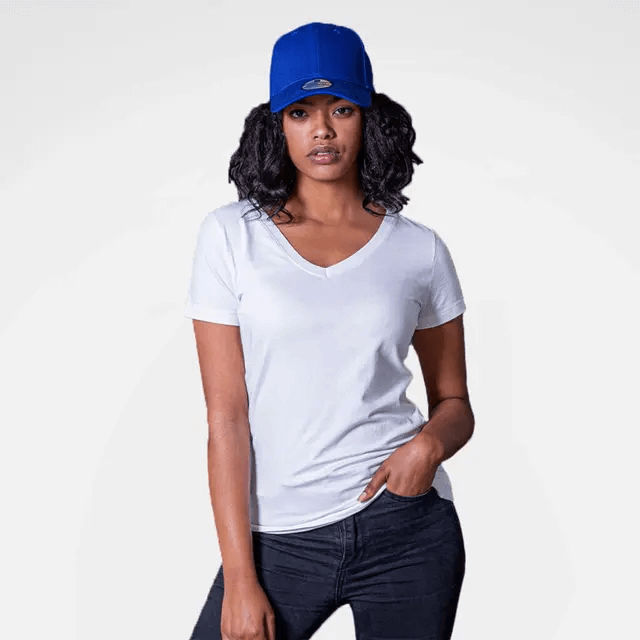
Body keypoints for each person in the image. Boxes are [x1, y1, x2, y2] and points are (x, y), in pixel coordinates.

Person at [184, 21, 474, 640]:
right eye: (301, 112)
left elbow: (454, 403)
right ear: (277, 125)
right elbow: (226, 417)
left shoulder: (418, 250)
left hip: (404, 529)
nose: (322, 129)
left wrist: (428, 447)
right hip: (278, 540)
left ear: (370, 118)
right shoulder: (231, 236)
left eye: (341, 109)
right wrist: (241, 578)